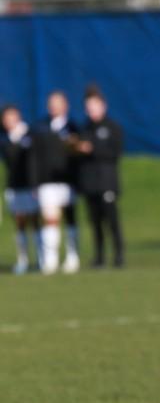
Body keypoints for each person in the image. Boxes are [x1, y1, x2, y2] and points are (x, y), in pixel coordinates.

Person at [77, 86, 125, 268]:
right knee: (95, 222)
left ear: (103, 106)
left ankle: (119, 255)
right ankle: (99, 257)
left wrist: (93, 149)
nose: (91, 111)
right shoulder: (84, 128)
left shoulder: (112, 128)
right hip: (90, 183)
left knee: (112, 221)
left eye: (94, 107)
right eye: (88, 108)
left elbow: (115, 153)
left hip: (107, 181)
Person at [34, 90, 81, 274]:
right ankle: (50, 259)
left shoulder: (73, 127)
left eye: (58, 103)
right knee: (50, 219)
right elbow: (35, 158)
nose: (54, 106)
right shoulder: (41, 128)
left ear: (65, 105)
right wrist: (35, 181)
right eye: (51, 103)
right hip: (47, 181)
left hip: (68, 181)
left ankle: (72, 256)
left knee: (70, 218)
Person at [1, 105, 40, 274]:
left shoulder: (29, 134)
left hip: (30, 187)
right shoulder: (5, 139)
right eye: (5, 118)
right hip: (13, 187)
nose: (8, 121)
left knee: (35, 222)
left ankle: (41, 259)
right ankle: (22, 259)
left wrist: (35, 184)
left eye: (11, 117)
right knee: (19, 223)